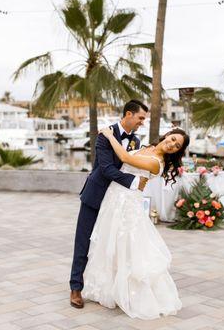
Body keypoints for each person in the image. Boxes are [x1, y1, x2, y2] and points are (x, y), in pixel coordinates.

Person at [82, 126, 190, 320]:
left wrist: (108, 135)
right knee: (109, 243)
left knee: (128, 247)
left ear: (178, 151)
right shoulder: (146, 146)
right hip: (113, 197)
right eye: (173, 138)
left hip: (127, 203)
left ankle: (132, 293)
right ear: (167, 135)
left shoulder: (157, 163)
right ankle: (107, 289)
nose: (172, 144)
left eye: (177, 145)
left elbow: (125, 158)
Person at [70, 100, 149, 309]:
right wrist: (134, 183)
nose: (142, 122)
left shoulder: (136, 141)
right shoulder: (105, 134)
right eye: (140, 118)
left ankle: (109, 288)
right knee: (83, 242)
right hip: (95, 195)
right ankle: (75, 287)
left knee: (110, 244)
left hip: (117, 201)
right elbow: (105, 168)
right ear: (129, 114)